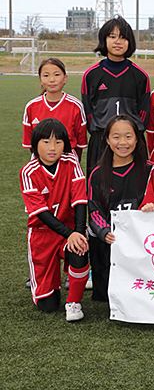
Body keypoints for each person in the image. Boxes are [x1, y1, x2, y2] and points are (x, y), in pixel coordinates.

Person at [19, 119, 89, 322]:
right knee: (48, 306)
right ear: (35, 144)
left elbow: (80, 200)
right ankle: (48, 283)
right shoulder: (28, 171)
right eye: (46, 142)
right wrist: (71, 234)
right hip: (42, 234)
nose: (52, 148)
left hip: (69, 227)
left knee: (80, 248)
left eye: (58, 142)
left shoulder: (71, 162)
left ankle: (74, 302)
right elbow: (41, 213)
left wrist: (77, 233)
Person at [87, 114, 151, 301]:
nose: (122, 142)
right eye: (116, 136)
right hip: (110, 241)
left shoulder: (149, 170)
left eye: (128, 136)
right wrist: (104, 231)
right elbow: (95, 209)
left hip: (141, 240)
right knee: (106, 296)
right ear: (107, 139)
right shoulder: (97, 174)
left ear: (138, 139)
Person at [82, 15, 150, 174]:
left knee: (136, 191)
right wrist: (104, 133)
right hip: (101, 141)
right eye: (112, 37)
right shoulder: (91, 75)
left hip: (131, 142)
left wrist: (130, 134)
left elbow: (144, 112)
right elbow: (88, 111)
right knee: (99, 190)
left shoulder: (140, 76)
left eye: (123, 37)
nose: (118, 41)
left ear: (130, 42)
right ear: (104, 40)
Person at [23, 58, 87, 159]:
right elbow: (30, 143)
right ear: (40, 79)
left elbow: (80, 143)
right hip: (40, 161)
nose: (52, 79)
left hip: (67, 160)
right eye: (46, 75)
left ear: (65, 78)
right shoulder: (31, 106)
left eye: (57, 75)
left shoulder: (75, 106)